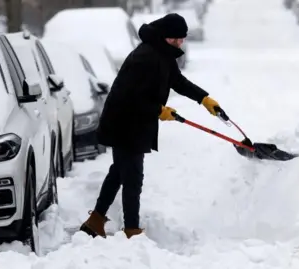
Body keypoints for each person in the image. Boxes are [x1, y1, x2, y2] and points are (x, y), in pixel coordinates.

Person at [79, 13, 222, 239]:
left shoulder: (163, 54)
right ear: (165, 36)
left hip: (133, 122)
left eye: (182, 39)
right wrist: (159, 110)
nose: (179, 43)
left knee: (119, 173)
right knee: (133, 177)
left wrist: (204, 99)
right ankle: (131, 232)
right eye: (176, 38)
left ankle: (95, 221)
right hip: (124, 123)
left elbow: (178, 81)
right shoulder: (144, 57)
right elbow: (131, 97)